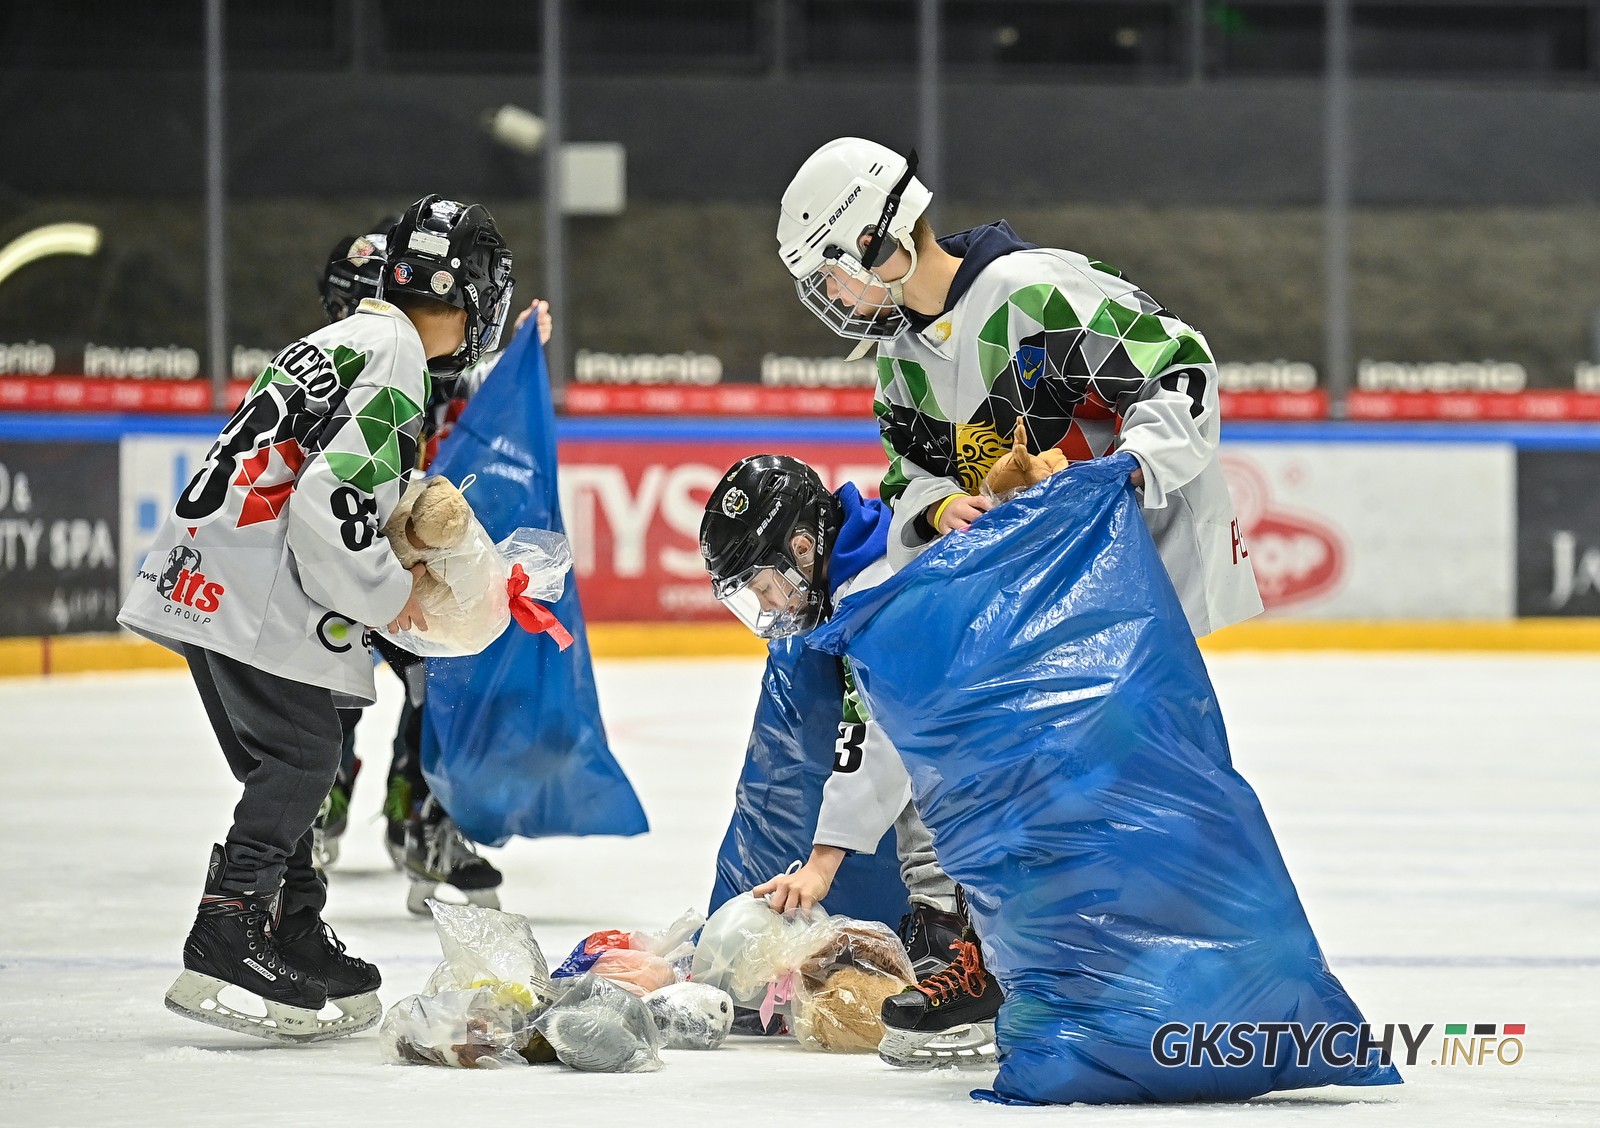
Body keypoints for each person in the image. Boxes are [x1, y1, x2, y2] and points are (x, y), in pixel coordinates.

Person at [768, 138, 1264, 1063]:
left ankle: (1179, 975)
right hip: (1045, 593)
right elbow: (910, 479)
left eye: (832, 277)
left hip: (1131, 579)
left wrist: (1124, 474)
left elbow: (1182, 369)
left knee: (1128, 777)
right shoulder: (900, 366)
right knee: (1007, 762)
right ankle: (1007, 961)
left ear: (879, 247)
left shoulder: (1036, 291)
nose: (832, 302)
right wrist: (934, 505)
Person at [118, 194, 515, 1042]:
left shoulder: (347, 337)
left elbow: (322, 474)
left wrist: (393, 524)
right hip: (249, 580)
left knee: (293, 758)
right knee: (304, 753)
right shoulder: (398, 355)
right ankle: (227, 928)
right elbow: (329, 499)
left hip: (208, 571)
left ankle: (291, 923)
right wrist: (390, 593)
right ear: (465, 292)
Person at [699, 454, 1000, 1066]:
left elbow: (879, 733)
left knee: (934, 774)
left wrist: (821, 864)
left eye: (765, 585)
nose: (770, 604)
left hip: (1029, 744)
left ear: (804, 547)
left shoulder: (872, 587)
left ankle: (963, 953)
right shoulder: (869, 554)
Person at [312, 226, 553, 915]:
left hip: (414, 564)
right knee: (331, 690)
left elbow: (491, 388)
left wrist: (523, 353)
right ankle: (315, 814)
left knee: (437, 690)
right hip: (344, 557)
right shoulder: (338, 370)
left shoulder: (441, 369)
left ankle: (421, 822)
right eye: (344, 304)